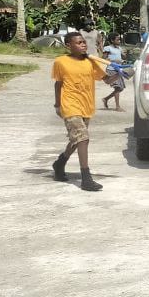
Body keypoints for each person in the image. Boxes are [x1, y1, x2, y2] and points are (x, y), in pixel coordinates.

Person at [51, 32, 110, 192]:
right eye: (78, 42)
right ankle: (86, 178)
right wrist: (58, 105)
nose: (83, 44)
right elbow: (58, 84)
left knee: (77, 140)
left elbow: (107, 79)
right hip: (69, 105)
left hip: (86, 106)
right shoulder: (60, 62)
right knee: (83, 138)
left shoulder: (90, 62)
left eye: (84, 42)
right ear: (68, 46)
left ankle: (60, 163)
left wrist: (121, 74)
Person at [101, 35, 128, 111]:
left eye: (119, 40)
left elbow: (124, 57)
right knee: (118, 87)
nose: (119, 41)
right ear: (112, 40)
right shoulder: (108, 48)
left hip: (118, 69)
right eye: (117, 39)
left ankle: (106, 99)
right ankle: (117, 107)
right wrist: (109, 60)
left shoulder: (119, 48)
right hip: (111, 69)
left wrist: (125, 54)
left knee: (121, 88)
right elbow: (103, 58)